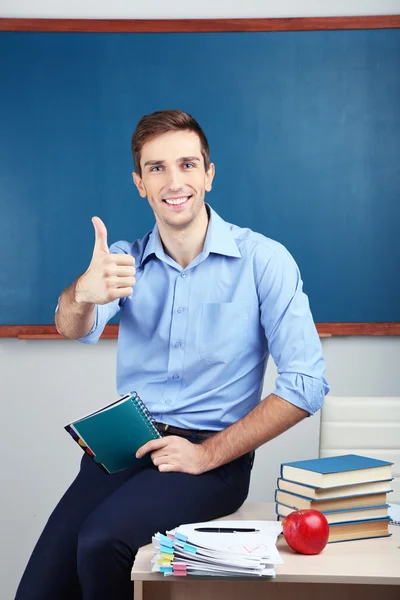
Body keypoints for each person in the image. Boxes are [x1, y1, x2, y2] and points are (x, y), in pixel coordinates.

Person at [15, 109, 329, 600]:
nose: (173, 181)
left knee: (101, 543)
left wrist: (206, 455)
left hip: (213, 454)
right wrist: (82, 293)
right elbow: (71, 327)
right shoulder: (124, 259)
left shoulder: (264, 261)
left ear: (208, 173)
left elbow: (306, 386)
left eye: (187, 164)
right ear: (140, 182)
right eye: (156, 168)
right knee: (38, 590)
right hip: (128, 443)